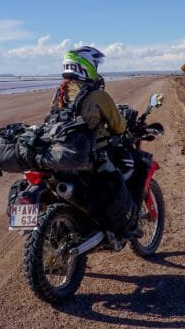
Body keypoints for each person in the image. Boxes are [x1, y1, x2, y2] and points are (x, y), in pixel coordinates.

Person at [51, 46, 140, 243]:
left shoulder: (61, 92)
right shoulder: (98, 95)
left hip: (59, 150)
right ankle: (120, 229)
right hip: (90, 154)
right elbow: (118, 126)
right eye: (95, 64)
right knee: (116, 182)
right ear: (86, 66)